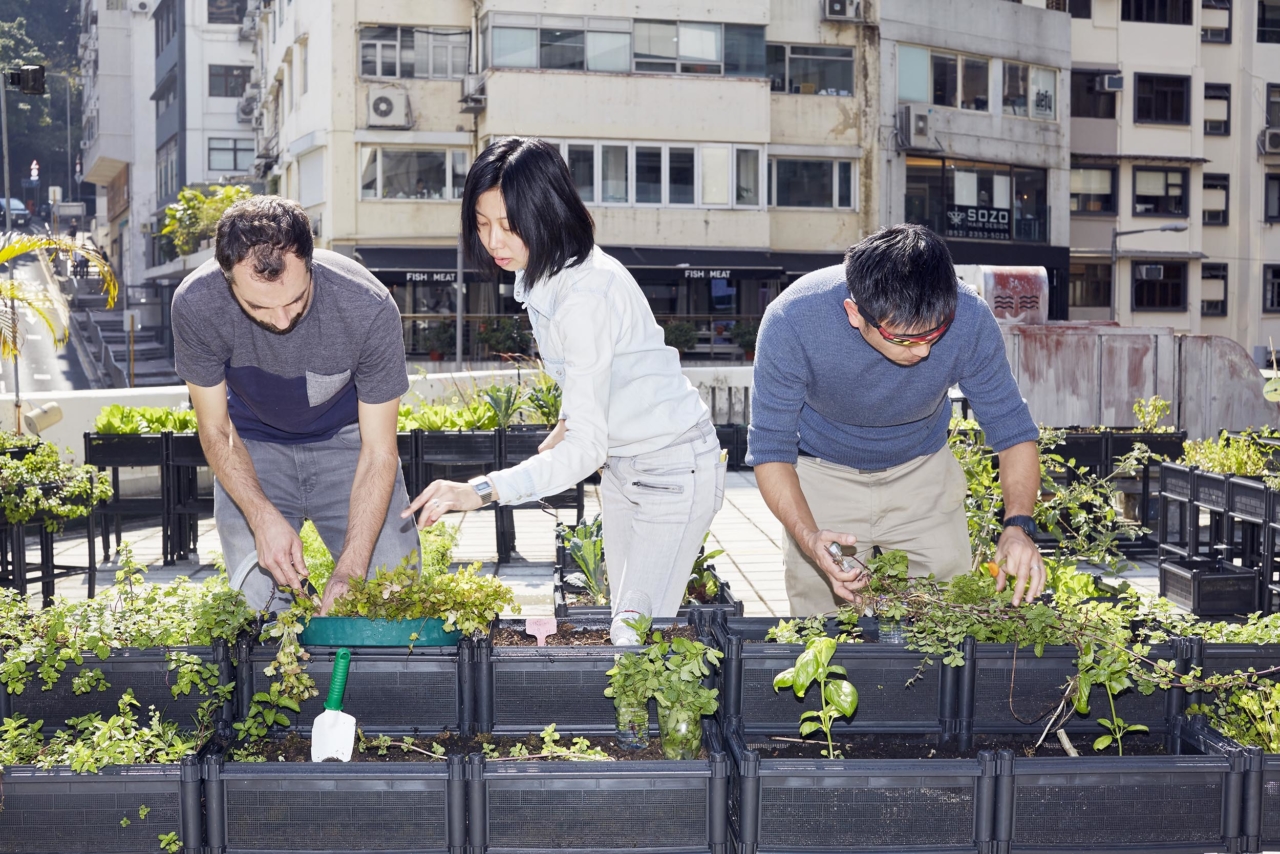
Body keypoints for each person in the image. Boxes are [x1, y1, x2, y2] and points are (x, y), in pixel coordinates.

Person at [403, 137, 726, 645]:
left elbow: (586, 449)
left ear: (546, 212)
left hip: (672, 469)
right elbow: (596, 378)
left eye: (509, 224)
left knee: (633, 636)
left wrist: (479, 490)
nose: (494, 241)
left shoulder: (584, 295)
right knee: (630, 628)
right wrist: (566, 424)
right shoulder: (545, 276)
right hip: (625, 466)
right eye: (482, 224)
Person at [747, 223, 1045, 614]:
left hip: (922, 472)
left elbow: (1013, 430)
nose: (922, 352)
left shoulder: (969, 317)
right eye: (904, 339)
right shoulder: (793, 319)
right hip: (822, 475)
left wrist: (1018, 525)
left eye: (934, 334)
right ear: (855, 314)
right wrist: (810, 537)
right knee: (821, 619)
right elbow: (771, 448)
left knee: (947, 612)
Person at [171, 196, 420, 613]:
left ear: (310, 262)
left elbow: (380, 450)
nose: (282, 320)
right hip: (252, 445)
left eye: (296, 300)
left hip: (350, 444)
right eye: (258, 306)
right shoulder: (197, 304)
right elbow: (216, 428)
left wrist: (351, 570)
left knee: (390, 591)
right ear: (227, 278)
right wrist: (260, 517)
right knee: (259, 600)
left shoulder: (368, 306)